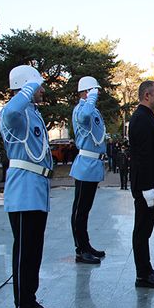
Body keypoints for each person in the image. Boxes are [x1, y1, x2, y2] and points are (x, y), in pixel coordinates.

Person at [0, 65, 59, 308]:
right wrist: (28, 88)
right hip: (23, 189)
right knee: (24, 252)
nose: (42, 90)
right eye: (38, 85)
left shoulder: (32, 112)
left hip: (36, 187)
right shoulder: (15, 112)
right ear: (25, 86)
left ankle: (31, 301)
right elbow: (10, 110)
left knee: (34, 251)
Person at [128, 80, 154, 289]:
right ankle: (142, 275)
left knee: (146, 230)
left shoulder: (147, 117)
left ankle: (146, 269)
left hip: (153, 184)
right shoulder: (140, 119)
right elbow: (141, 157)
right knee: (142, 229)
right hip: (147, 186)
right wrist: (146, 189)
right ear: (147, 96)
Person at [69, 76, 107, 265]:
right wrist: (89, 98)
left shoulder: (93, 110)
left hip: (93, 165)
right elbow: (84, 116)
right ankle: (80, 250)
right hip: (85, 165)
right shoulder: (81, 109)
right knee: (80, 210)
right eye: (94, 90)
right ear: (86, 92)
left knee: (86, 209)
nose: (97, 94)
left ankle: (86, 244)